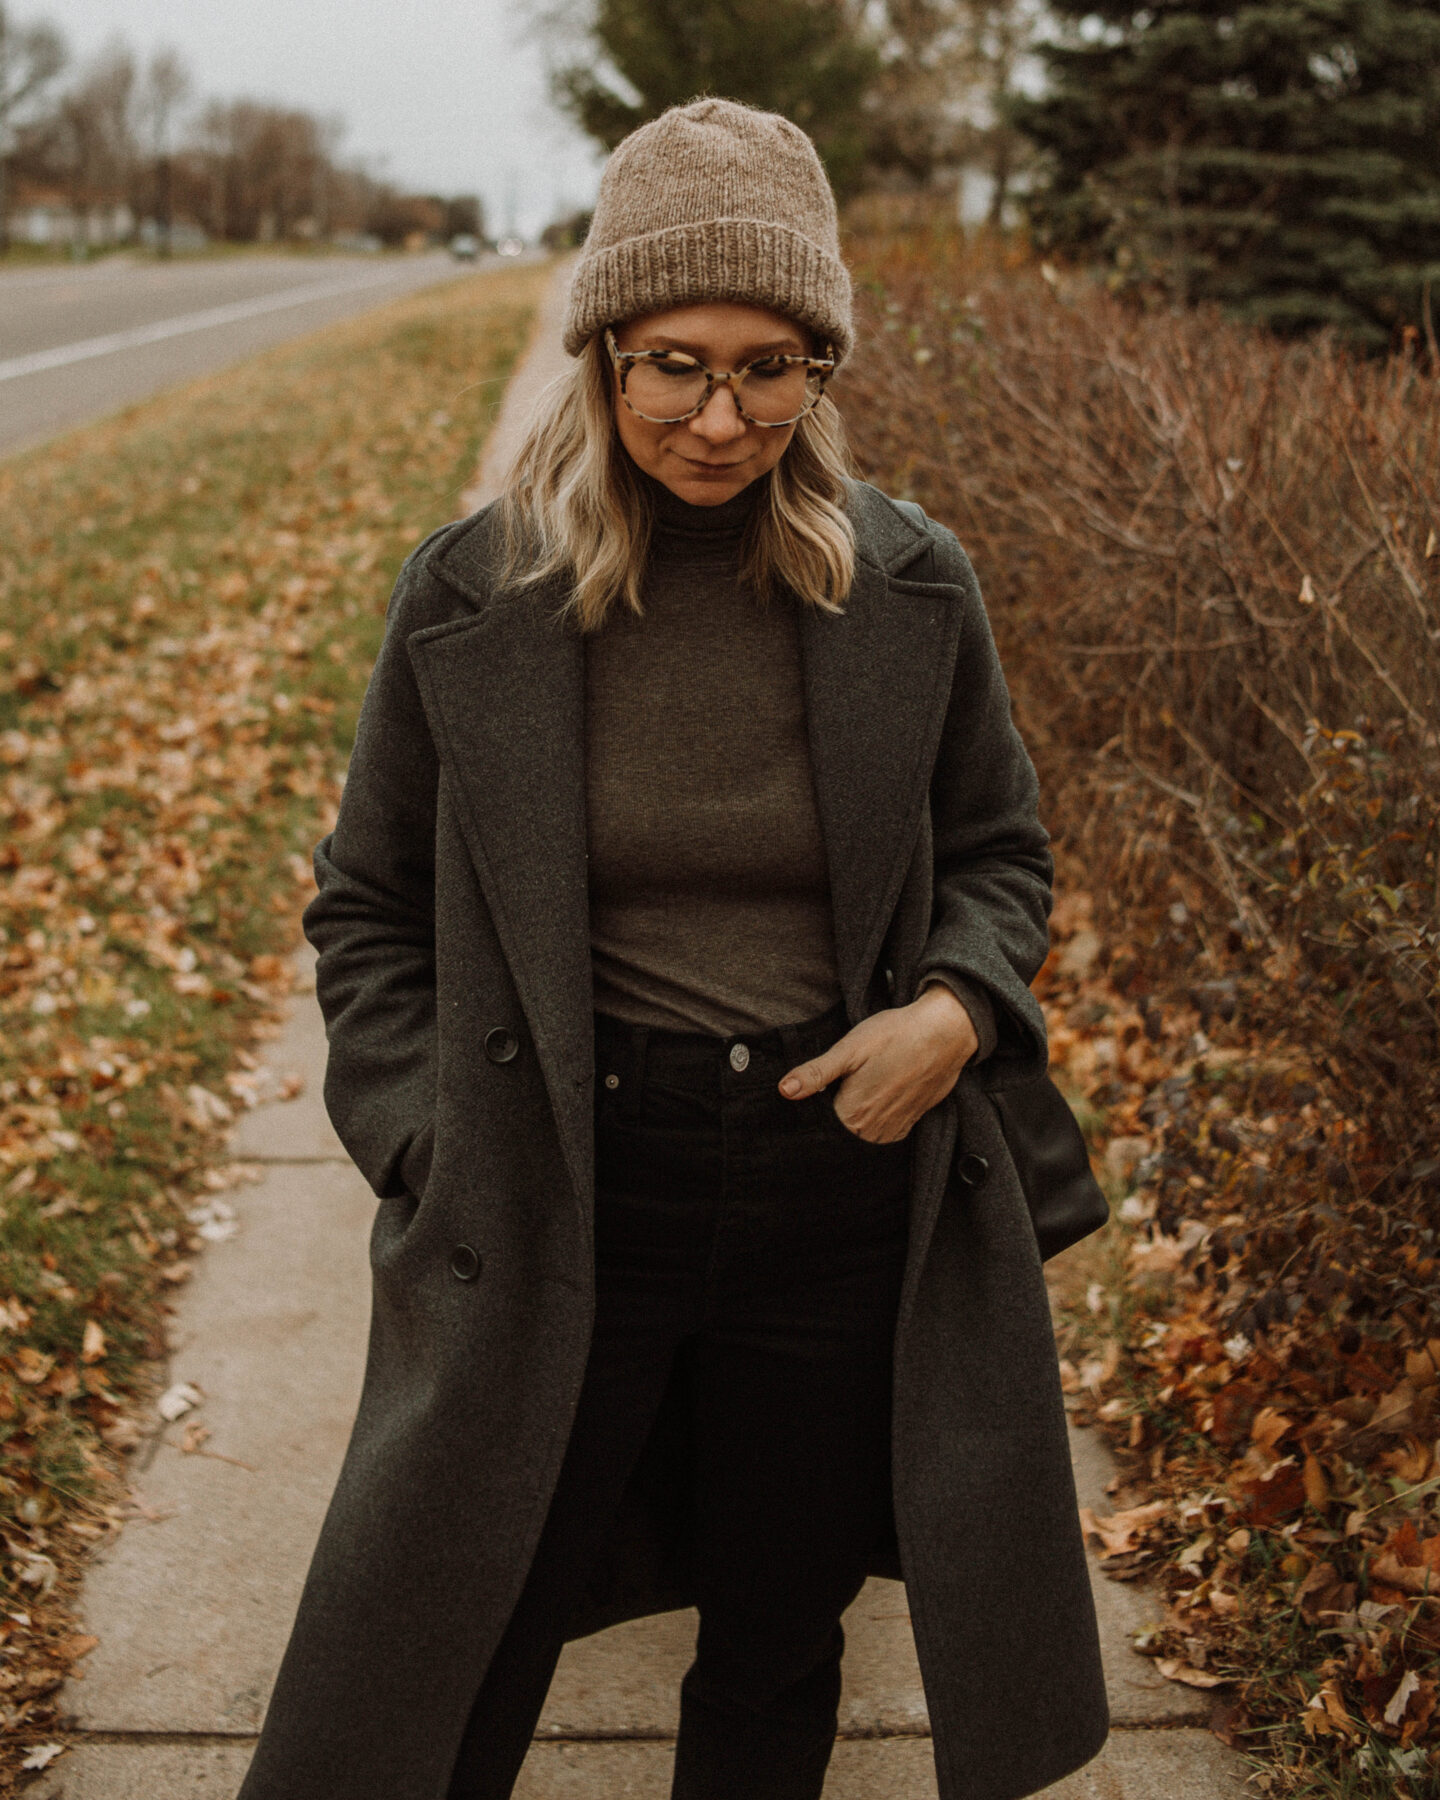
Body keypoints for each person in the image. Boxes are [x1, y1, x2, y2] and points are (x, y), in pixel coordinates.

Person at [236, 98, 1107, 1800]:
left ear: (822, 366)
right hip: (568, 1182)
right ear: (601, 356)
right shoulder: (477, 596)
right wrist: (430, 1140)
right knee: (461, 1632)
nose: (725, 418)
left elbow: (1001, 854)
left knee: (781, 1642)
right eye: (676, 366)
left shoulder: (909, 585)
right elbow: (369, 908)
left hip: (832, 1187)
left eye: (773, 367)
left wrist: (953, 1007)